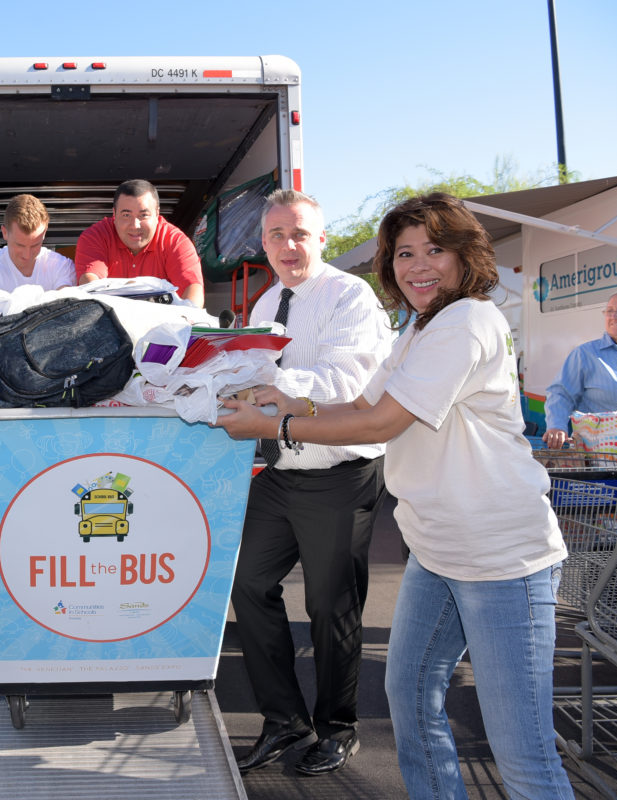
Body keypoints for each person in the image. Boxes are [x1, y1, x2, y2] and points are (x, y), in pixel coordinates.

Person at [217, 193, 574, 798]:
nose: (418, 265)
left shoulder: (467, 321)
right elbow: (357, 403)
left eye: (435, 249)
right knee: (408, 702)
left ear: (466, 255)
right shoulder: (420, 327)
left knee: (524, 755)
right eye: (405, 252)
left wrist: (276, 425)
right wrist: (293, 403)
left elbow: (381, 423)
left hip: (499, 558)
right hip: (436, 553)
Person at [226, 189, 392, 776]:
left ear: (321, 239)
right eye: (276, 235)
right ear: (263, 243)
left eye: (299, 234)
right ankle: (284, 720)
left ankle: (338, 725)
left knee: (331, 605)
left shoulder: (352, 295)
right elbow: (251, 372)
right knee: (245, 584)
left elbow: (352, 375)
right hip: (282, 470)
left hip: (340, 473)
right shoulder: (268, 303)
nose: (288, 245)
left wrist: (277, 389)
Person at [542, 290, 617, 448]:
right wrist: (557, 425)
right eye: (610, 311)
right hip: (605, 455)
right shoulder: (586, 354)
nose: (614, 316)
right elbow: (561, 393)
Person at [75, 179, 205, 306]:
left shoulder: (176, 242)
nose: (135, 225)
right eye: (126, 215)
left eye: (143, 215)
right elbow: (90, 285)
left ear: (157, 213)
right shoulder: (95, 236)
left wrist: (188, 317)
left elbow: (193, 291)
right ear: (114, 214)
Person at [0, 194, 75, 292]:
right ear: (5, 232)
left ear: (44, 233)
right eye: (19, 245)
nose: (27, 255)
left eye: (35, 245)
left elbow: (68, 304)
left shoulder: (62, 266)